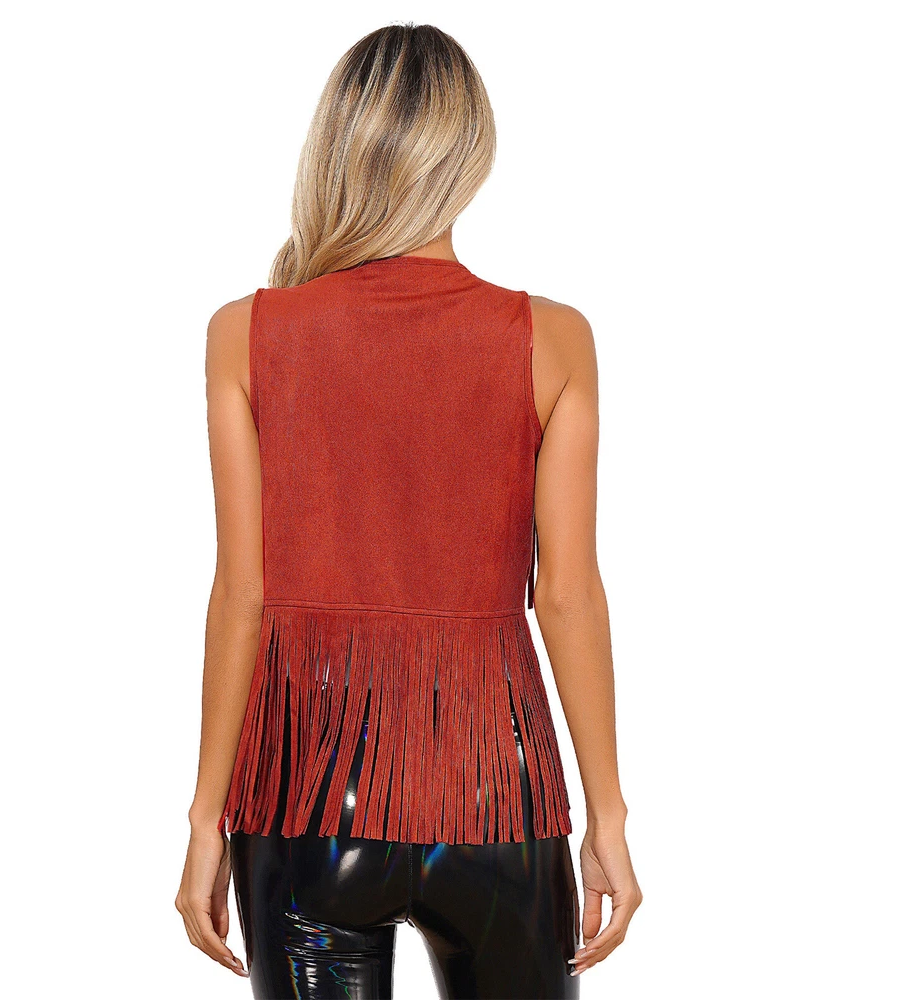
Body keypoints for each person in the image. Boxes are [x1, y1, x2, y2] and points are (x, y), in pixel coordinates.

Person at [176, 22, 642, 1000]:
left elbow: (242, 596)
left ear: (338, 147)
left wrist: (206, 820)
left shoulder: (245, 335)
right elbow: (566, 596)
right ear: (470, 154)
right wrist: (607, 816)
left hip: (305, 798)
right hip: (495, 794)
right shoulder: (553, 339)